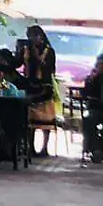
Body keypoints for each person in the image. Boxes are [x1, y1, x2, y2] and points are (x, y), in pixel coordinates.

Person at [19, 25, 59, 156]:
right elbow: (19, 64)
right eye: (29, 36)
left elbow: (50, 69)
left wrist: (37, 57)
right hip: (30, 85)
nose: (31, 39)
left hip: (44, 87)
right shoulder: (27, 50)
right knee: (30, 119)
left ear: (40, 36)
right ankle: (30, 147)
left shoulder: (49, 51)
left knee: (45, 119)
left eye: (33, 36)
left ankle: (45, 148)